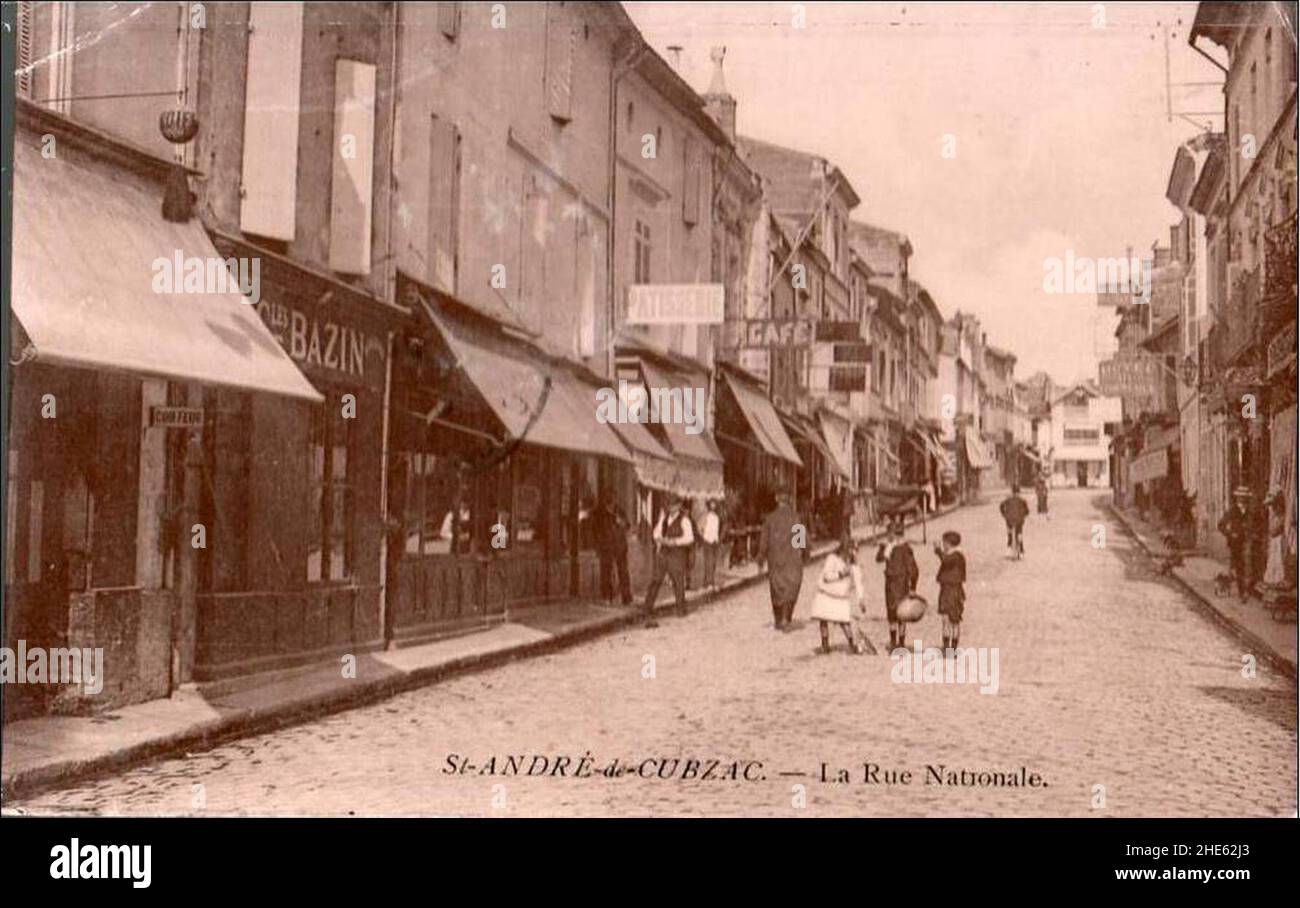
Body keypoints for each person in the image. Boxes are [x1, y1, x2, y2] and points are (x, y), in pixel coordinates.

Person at [642, 496, 693, 626]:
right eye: (669, 505)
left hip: (676, 554)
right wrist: (659, 539)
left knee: (678, 581)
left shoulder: (685, 520)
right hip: (663, 554)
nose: (671, 508)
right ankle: (647, 608)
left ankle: (681, 609)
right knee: (656, 580)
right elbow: (655, 533)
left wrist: (675, 541)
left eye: (674, 505)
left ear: (679, 506)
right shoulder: (664, 519)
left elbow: (689, 538)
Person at [810, 536, 866, 655]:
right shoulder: (832, 559)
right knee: (823, 620)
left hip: (841, 596)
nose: (855, 553)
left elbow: (858, 582)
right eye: (852, 550)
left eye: (856, 550)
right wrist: (840, 574)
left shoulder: (854, 566)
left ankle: (852, 644)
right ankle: (825, 645)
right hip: (826, 593)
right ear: (845, 550)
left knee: (844, 622)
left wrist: (861, 599)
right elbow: (827, 576)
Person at [760, 488, 804, 630]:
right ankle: (786, 617)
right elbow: (800, 542)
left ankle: (779, 619)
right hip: (792, 559)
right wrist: (804, 554)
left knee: (777, 588)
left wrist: (761, 557)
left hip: (776, 560)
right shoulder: (795, 518)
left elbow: (764, 541)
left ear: (776, 499)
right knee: (791, 587)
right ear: (789, 499)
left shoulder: (770, 519)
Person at [876, 516, 918, 652]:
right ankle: (893, 641)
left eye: (890, 534)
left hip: (901, 583)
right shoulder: (888, 548)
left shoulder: (905, 549)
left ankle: (901, 642)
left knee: (901, 612)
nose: (889, 537)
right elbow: (878, 559)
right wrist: (883, 548)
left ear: (897, 535)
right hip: (890, 582)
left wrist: (913, 586)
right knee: (891, 612)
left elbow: (913, 569)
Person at [1218, 487, 1261, 601]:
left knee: (1251, 565)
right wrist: (1230, 533)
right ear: (1237, 497)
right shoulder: (1232, 511)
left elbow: (1259, 524)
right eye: (1240, 497)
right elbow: (1221, 525)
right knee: (1239, 567)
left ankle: (1250, 589)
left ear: (1247, 498)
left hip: (1249, 541)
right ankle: (1242, 592)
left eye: (1245, 497)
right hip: (1236, 543)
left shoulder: (1251, 511)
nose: (1242, 499)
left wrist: (1255, 533)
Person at [594, 496, 632, 607]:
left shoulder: (619, 511)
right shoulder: (600, 514)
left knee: (623, 571)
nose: (611, 506)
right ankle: (606, 596)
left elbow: (627, 526)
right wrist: (598, 545)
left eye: (612, 503)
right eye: (608, 504)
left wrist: (621, 522)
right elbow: (596, 531)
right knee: (606, 572)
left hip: (620, 546)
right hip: (606, 547)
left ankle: (626, 597)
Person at [934, 530, 967, 656]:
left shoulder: (957, 555)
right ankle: (946, 646)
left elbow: (946, 561)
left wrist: (938, 550)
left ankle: (952, 648)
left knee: (953, 620)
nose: (943, 545)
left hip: (953, 591)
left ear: (949, 543)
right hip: (946, 589)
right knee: (945, 619)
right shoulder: (953, 555)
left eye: (944, 543)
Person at [999, 485, 1030, 556]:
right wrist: (1025, 515)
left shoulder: (1008, 499)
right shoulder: (1022, 500)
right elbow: (1027, 510)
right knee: (1019, 532)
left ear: (1012, 491)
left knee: (1009, 533)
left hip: (1009, 520)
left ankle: (1009, 548)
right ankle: (1021, 549)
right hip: (1019, 520)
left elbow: (1001, 506)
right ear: (1019, 492)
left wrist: (1004, 514)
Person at [699, 499, 721, 593]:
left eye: (714, 504)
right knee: (709, 562)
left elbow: (717, 529)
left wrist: (717, 538)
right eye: (712, 504)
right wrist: (704, 536)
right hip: (707, 540)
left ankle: (707, 583)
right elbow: (700, 527)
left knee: (712, 562)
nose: (713, 506)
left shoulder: (716, 517)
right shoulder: (705, 516)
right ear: (709, 505)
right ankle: (709, 583)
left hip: (715, 541)